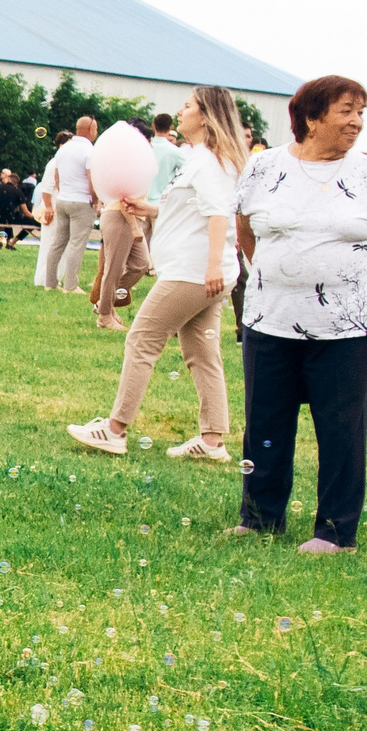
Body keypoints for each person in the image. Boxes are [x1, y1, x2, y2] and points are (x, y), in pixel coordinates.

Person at [230, 75, 367, 552]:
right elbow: (246, 230)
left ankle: (335, 531)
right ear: (311, 117)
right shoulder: (263, 166)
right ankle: (260, 519)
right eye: (346, 110)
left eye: (361, 112)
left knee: (340, 428)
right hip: (270, 318)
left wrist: (346, 278)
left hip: (345, 326)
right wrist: (283, 275)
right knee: (265, 423)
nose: (357, 122)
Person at [67, 84, 251, 463]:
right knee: (202, 353)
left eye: (188, 106)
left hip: (193, 272)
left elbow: (219, 213)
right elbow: (190, 210)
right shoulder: (200, 158)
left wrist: (212, 265)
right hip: (198, 272)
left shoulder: (211, 162)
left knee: (141, 341)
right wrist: (147, 208)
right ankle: (212, 440)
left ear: (206, 117)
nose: (180, 112)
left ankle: (115, 430)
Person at [87, 118, 156, 323]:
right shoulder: (126, 160)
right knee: (113, 269)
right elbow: (124, 197)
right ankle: (105, 316)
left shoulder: (136, 161)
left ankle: (105, 302)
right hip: (120, 217)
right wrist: (135, 227)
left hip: (131, 217)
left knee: (140, 264)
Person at [35, 120, 98, 290]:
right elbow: (91, 179)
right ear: (91, 129)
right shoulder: (90, 151)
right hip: (82, 201)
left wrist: (64, 192)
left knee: (57, 243)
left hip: (63, 200)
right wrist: (95, 199)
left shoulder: (63, 150)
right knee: (76, 244)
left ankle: (50, 282)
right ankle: (70, 285)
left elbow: (56, 177)